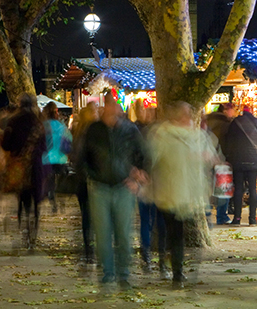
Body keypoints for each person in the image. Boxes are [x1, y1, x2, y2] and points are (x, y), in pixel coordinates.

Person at [77, 95, 147, 289]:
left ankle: (123, 273)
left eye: (115, 106)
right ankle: (108, 273)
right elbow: (82, 157)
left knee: (123, 233)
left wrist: (137, 176)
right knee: (103, 234)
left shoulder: (130, 130)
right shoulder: (94, 130)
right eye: (110, 105)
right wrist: (91, 176)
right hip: (99, 187)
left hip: (123, 187)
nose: (113, 109)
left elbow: (143, 154)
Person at [148, 102, 218, 288]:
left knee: (175, 234)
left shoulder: (192, 135)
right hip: (172, 193)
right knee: (174, 233)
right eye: (185, 115)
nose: (187, 118)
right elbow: (151, 159)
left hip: (182, 194)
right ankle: (175, 272)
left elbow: (210, 155)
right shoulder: (164, 135)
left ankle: (174, 270)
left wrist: (208, 158)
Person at [2, 94, 47, 250]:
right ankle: (33, 233)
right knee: (36, 201)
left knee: (23, 198)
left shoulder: (13, 121)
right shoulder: (39, 123)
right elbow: (45, 146)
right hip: (36, 166)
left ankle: (25, 226)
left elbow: (6, 144)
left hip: (20, 166)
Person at [223, 105, 257, 226]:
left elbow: (228, 141)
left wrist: (229, 157)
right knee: (253, 188)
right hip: (253, 160)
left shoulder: (235, 123)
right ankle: (252, 219)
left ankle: (237, 218)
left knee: (238, 189)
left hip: (238, 160)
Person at [135, 109, 166, 274]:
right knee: (159, 224)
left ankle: (146, 255)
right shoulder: (164, 142)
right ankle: (159, 259)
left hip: (146, 185)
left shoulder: (141, 137)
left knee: (147, 222)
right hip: (157, 187)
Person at [70, 104, 98, 266]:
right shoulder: (87, 133)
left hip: (84, 180)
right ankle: (90, 249)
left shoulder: (79, 131)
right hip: (88, 180)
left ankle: (89, 248)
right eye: (94, 111)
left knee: (87, 215)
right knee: (90, 215)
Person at [205, 104, 236, 225]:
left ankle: (207, 215)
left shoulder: (210, 121)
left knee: (207, 190)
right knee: (223, 189)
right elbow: (226, 141)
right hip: (220, 158)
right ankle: (221, 215)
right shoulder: (225, 124)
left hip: (209, 160)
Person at [42, 102, 72, 214]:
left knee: (49, 179)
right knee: (60, 177)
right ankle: (59, 196)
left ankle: (51, 197)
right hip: (60, 158)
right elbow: (69, 140)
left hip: (46, 158)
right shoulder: (61, 126)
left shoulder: (43, 125)